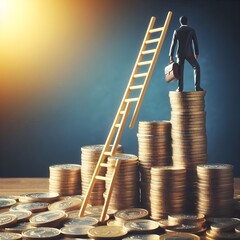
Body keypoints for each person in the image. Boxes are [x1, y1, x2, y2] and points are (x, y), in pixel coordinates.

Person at [169, 16, 203, 92]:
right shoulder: (191, 30)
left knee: (180, 70)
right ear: (187, 22)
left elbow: (173, 44)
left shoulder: (176, 31)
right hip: (189, 53)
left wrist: (171, 56)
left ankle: (180, 88)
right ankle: (197, 87)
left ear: (180, 22)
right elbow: (195, 42)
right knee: (196, 67)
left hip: (180, 54)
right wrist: (196, 53)